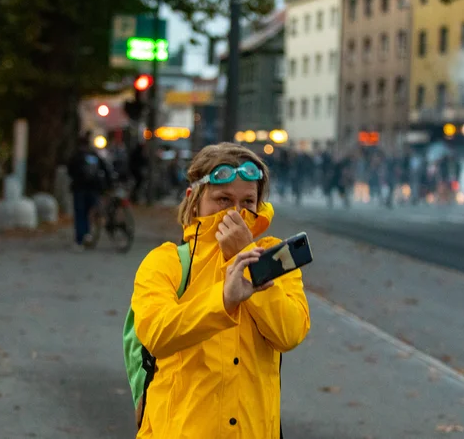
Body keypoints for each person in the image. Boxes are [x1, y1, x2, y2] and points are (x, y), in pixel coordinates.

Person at [131, 143, 311, 438]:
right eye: (223, 199)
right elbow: (157, 335)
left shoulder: (271, 257)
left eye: (247, 201)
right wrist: (223, 301)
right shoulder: (167, 262)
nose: (236, 213)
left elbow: (290, 332)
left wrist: (251, 262)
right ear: (194, 200)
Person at [66, 132, 112, 251]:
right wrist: (107, 185)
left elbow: (70, 171)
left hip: (80, 189)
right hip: (94, 189)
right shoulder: (94, 155)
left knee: (80, 214)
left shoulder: (76, 156)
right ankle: (88, 234)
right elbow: (105, 169)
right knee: (90, 213)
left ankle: (80, 239)